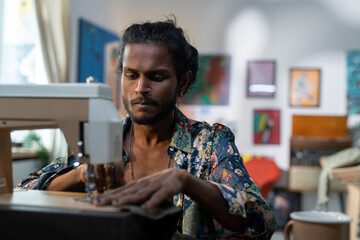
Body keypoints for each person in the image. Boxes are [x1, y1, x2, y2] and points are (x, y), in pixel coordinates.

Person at [17, 18, 276, 239]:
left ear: (182, 82)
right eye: (131, 75)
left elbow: (261, 221)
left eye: (157, 77)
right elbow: (22, 193)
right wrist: (80, 175)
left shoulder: (209, 145)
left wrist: (186, 182)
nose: (141, 88)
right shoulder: (102, 140)